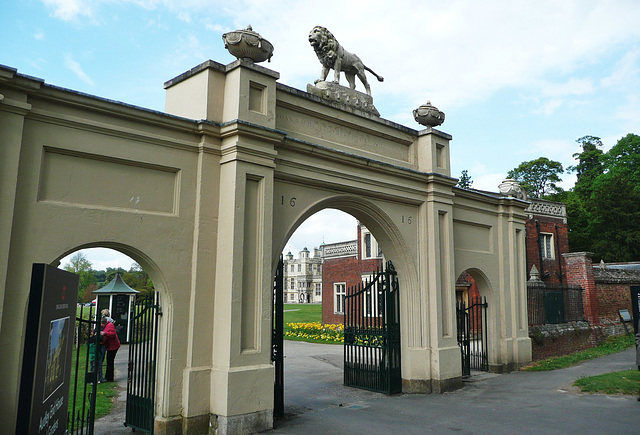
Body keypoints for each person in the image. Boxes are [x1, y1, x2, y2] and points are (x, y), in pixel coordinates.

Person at [100, 316, 121, 382]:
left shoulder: (110, 325)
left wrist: (105, 333)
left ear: (104, 323)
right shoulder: (107, 326)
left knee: (110, 361)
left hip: (113, 346)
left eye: (102, 324)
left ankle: (109, 378)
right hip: (110, 346)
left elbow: (113, 334)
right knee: (109, 361)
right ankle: (108, 377)